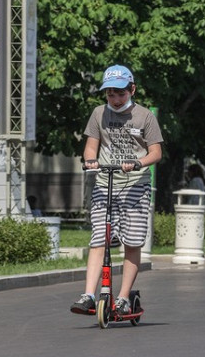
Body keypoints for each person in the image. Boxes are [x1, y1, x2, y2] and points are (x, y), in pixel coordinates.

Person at [70, 64, 163, 316]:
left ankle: (122, 297)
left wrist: (138, 162)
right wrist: (90, 160)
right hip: (104, 182)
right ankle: (89, 294)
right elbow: (91, 146)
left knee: (132, 242)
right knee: (99, 238)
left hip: (135, 186)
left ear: (132, 89)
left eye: (121, 93)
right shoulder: (99, 113)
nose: (116, 99)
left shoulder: (144, 116)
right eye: (111, 94)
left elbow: (156, 152)